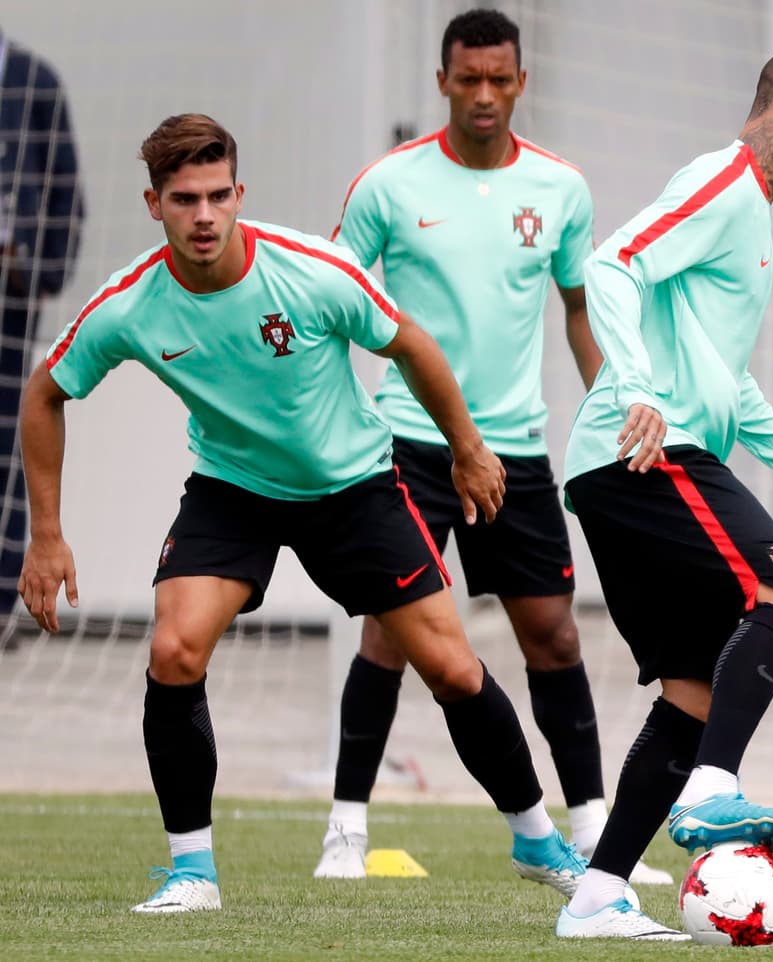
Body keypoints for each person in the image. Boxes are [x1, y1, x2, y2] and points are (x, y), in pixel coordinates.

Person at [17, 113, 592, 914]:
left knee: (456, 671)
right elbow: (44, 392)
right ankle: (192, 873)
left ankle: (537, 838)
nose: (206, 215)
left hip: (353, 486)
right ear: (155, 205)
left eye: (219, 196)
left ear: (240, 193)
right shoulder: (131, 304)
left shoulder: (312, 271)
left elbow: (413, 346)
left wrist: (466, 447)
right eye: (185, 200)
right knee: (175, 649)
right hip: (235, 489)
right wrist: (46, 535)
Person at [317, 8, 670, 887]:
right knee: (392, 636)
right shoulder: (388, 187)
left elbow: (580, 308)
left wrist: (612, 403)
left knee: (553, 636)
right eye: (466, 79)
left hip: (514, 453)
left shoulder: (561, 190)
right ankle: (346, 828)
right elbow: (331, 303)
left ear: (521, 82)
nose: (483, 95)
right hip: (406, 444)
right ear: (441, 82)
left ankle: (591, 830)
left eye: (498, 79)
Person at [553, 45, 773, 941]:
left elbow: (735, 392)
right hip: (648, 451)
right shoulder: (726, 180)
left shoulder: (750, 218)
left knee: (693, 688)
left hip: (636, 458)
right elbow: (612, 265)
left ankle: (599, 896)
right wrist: (641, 386)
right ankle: (715, 788)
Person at [0, 28, 84, 645]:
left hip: (9, 291)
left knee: (8, 438)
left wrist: (43, 272)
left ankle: (6, 603)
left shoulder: (35, 80)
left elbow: (65, 188)